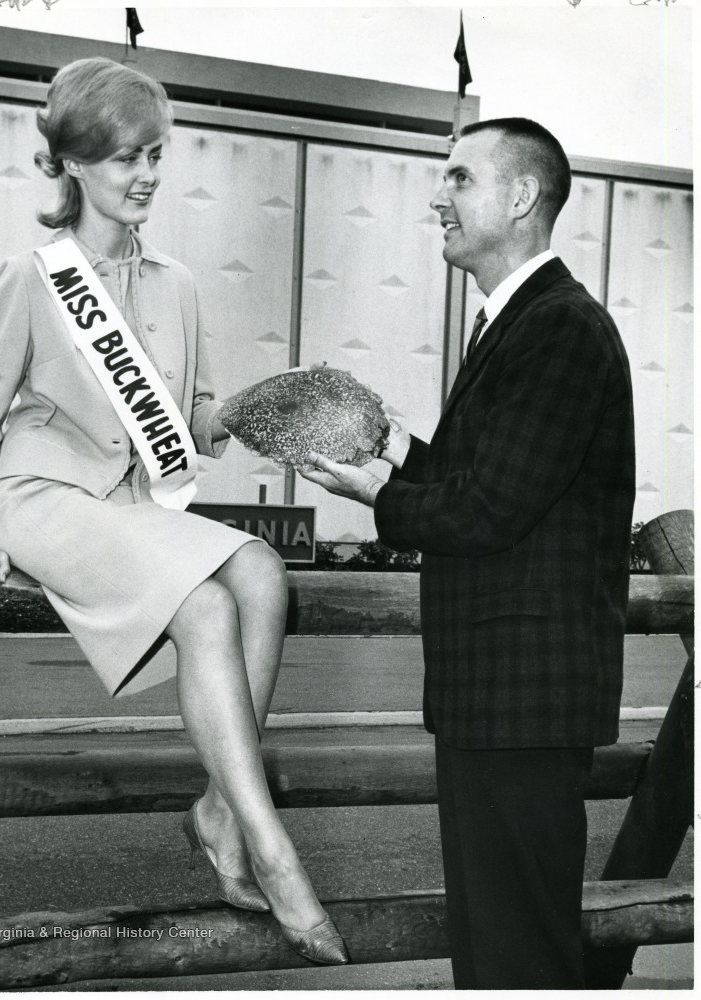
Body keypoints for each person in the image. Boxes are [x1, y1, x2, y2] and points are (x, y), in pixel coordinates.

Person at [0, 56, 348, 966]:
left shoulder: (179, 283)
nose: (146, 176)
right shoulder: (34, 276)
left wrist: (258, 409)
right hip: (42, 496)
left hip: (134, 504)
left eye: (156, 155)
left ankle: (216, 809)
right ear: (75, 165)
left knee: (260, 568)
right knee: (205, 602)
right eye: (127, 157)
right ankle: (271, 849)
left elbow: (194, 422)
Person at [299, 117, 635, 988]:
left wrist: (377, 495)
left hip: (525, 700)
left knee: (519, 953)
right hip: (495, 695)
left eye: (459, 179)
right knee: (490, 947)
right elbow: (478, 473)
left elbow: (486, 510)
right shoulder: (515, 321)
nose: (438, 198)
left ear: (521, 198)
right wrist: (391, 447)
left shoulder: (560, 328)